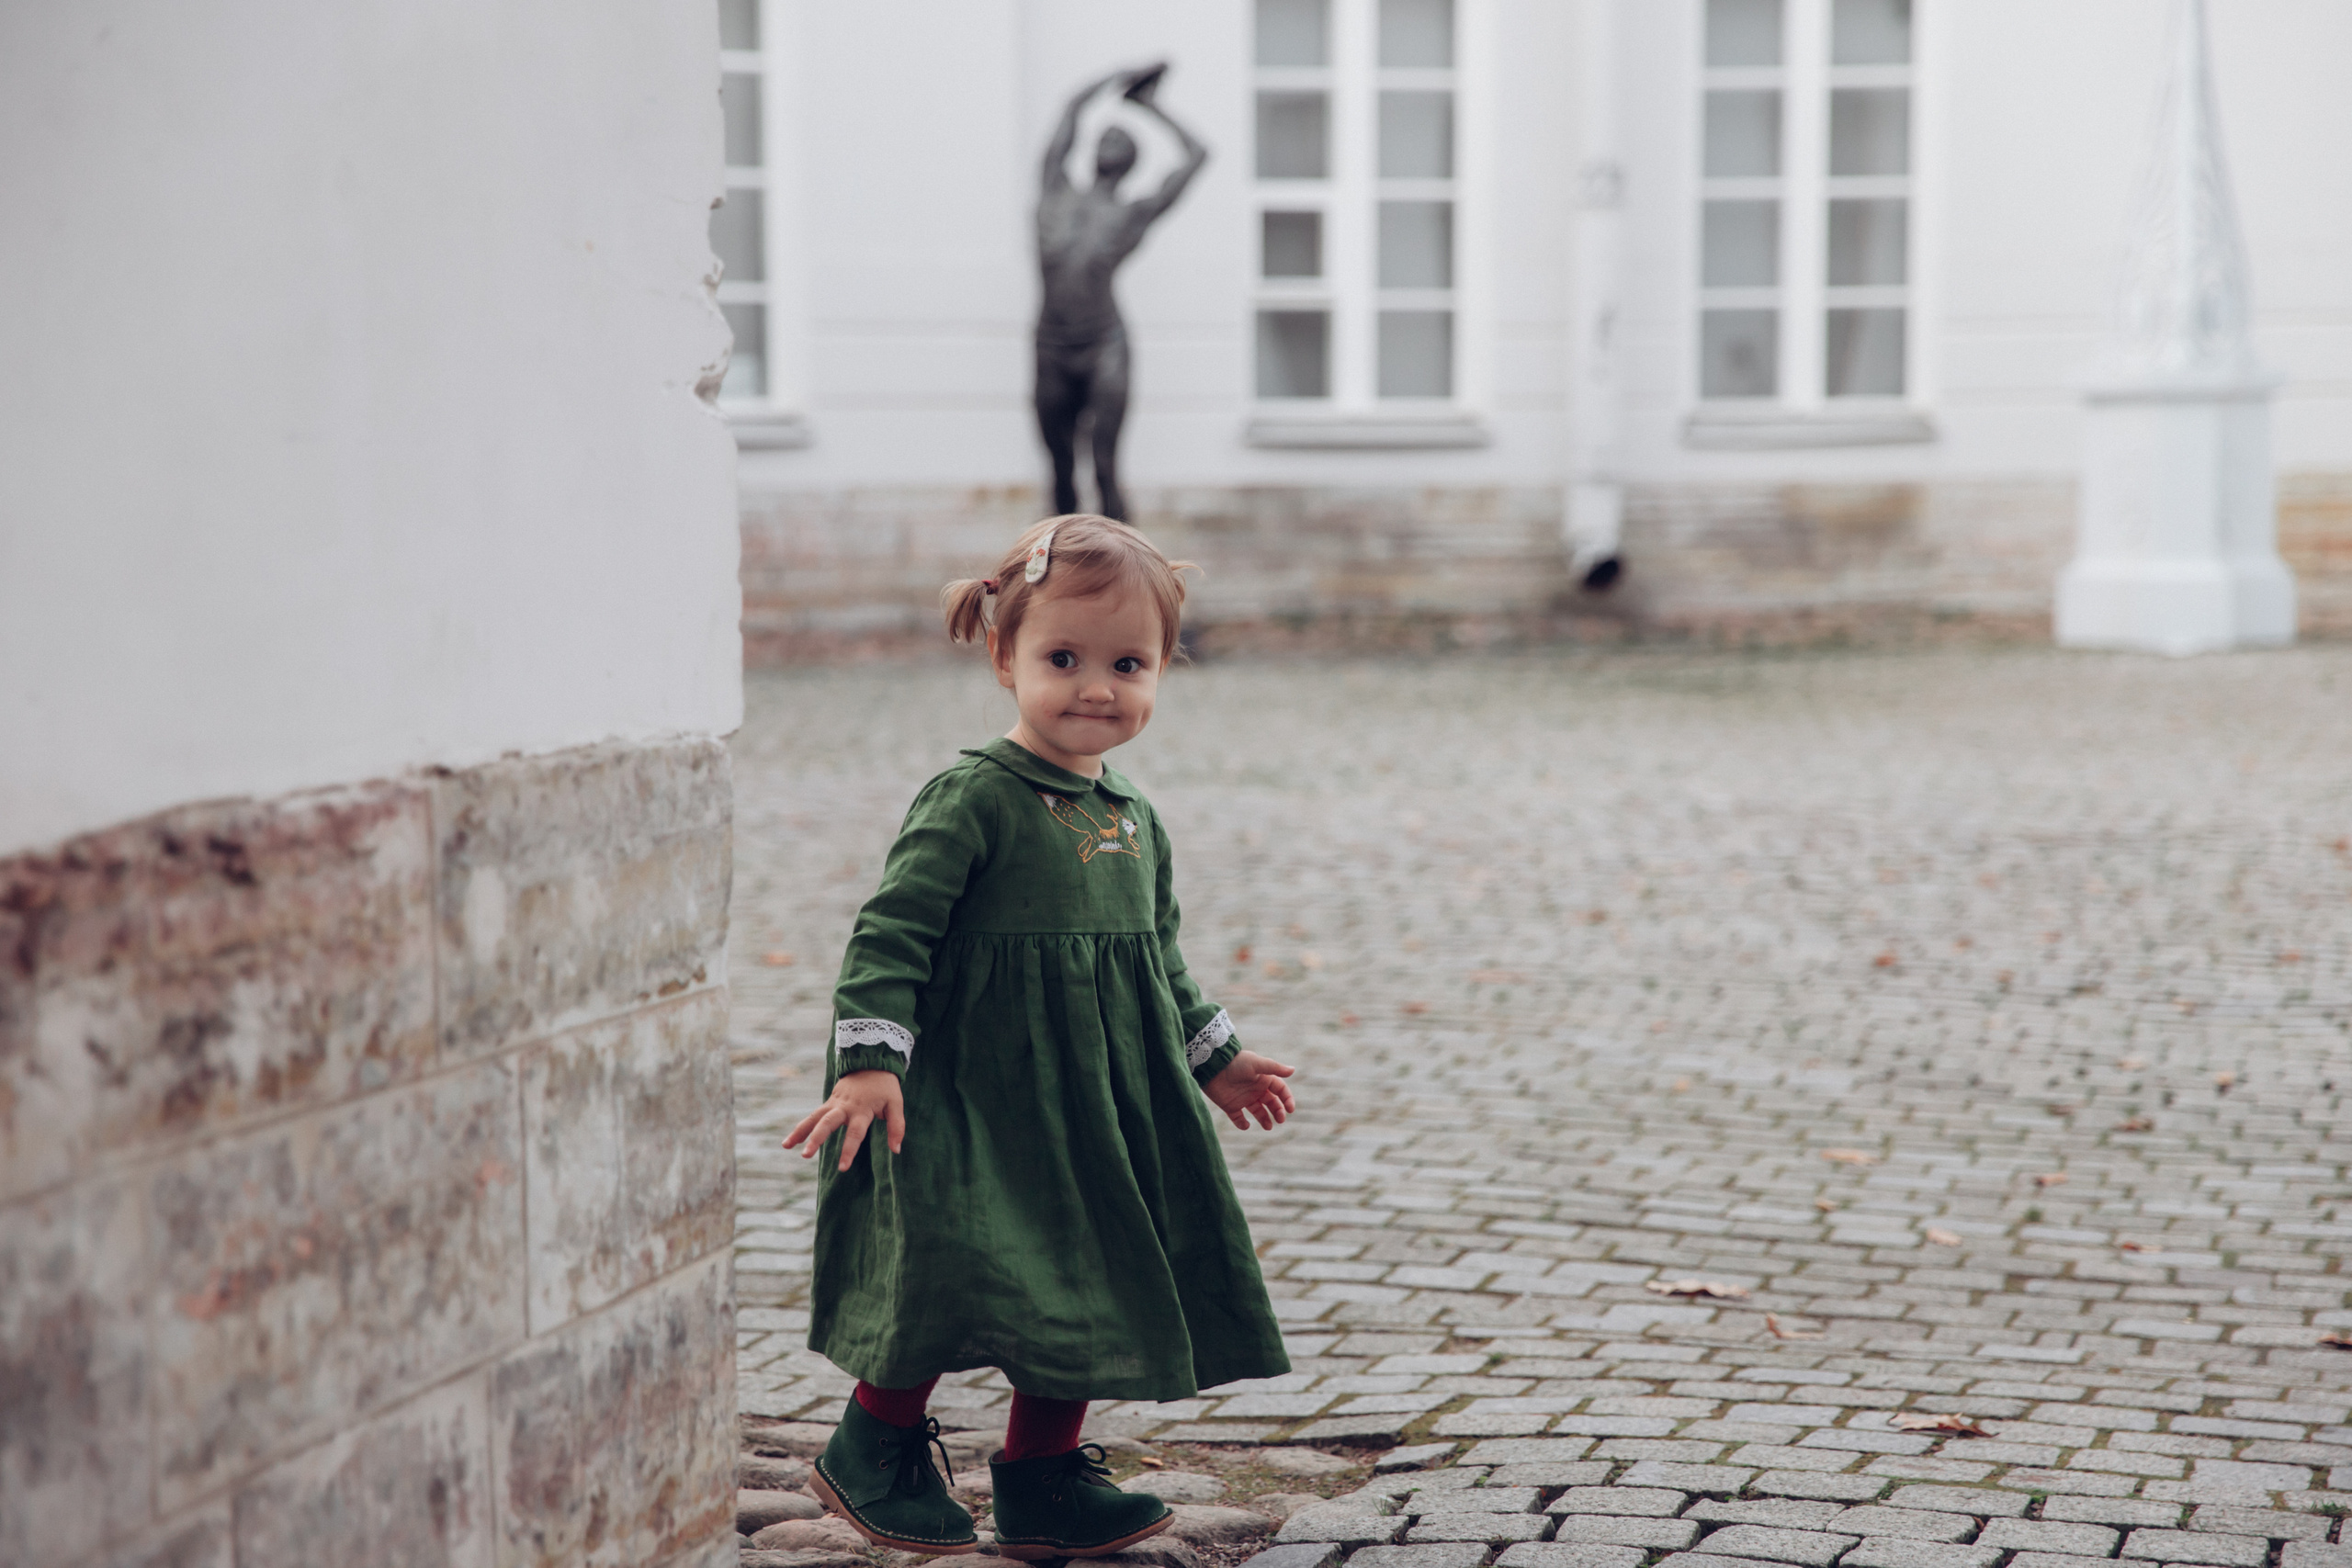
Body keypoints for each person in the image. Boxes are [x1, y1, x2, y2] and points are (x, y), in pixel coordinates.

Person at [783, 514, 1295, 1561]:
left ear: (1161, 671)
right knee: (949, 1265)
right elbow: (891, 932)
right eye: (1062, 659)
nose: (1095, 687)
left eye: (1128, 664)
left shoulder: (1134, 819)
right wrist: (871, 1065)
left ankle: (1044, 1480)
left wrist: (1216, 1057)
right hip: (975, 1096)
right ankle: (870, 1447)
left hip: (1101, 1101)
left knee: (1091, 1273)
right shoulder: (974, 797)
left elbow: (1159, 961)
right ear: (1002, 655)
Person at [1034, 65, 1208, 522]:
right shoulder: (1055, 189)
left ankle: (1128, 572)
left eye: (1119, 142)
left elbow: (1197, 154)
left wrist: (1151, 107)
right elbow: (1071, 109)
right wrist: (1118, 77)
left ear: (1129, 161)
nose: (1106, 143)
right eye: (1102, 138)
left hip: (1103, 344)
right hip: (1052, 343)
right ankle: (1059, 571)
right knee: (1060, 469)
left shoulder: (1131, 213)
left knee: (1106, 467)